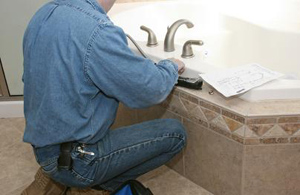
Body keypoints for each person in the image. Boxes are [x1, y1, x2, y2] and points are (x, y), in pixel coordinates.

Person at [21, 0, 187, 194]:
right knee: (175, 134)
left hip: (45, 148)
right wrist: (171, 66)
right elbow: (150, 89)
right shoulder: (97, 30)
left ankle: (58, 178)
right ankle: (91, 186)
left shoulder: (44, 13)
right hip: (78, 159)